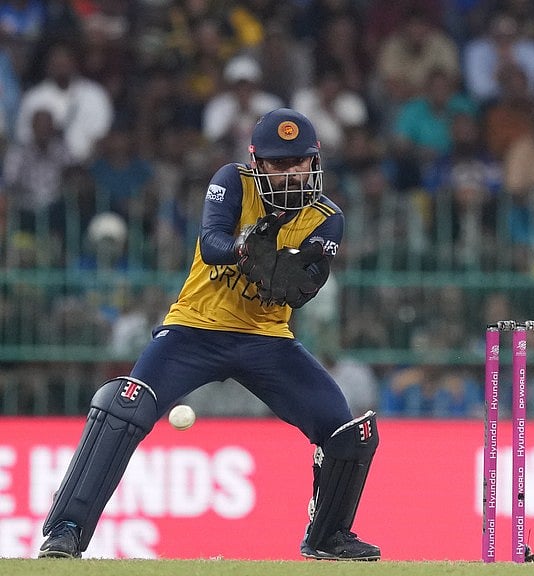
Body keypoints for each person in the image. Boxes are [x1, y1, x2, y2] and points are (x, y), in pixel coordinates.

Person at [36, 108, 381, 562]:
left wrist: (290, 275)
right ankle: (65, 531)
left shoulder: (327, 217)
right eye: (279, 163)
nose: (291, 171)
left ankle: (329, 537)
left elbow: (301, 290)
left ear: (314, 161)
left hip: (267, 339)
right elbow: (211, 243)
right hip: (194, 329)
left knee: (348, 431)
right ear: (257, 163)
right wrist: (244, 248)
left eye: (300, 161)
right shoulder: (233, 181)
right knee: (125, 406)